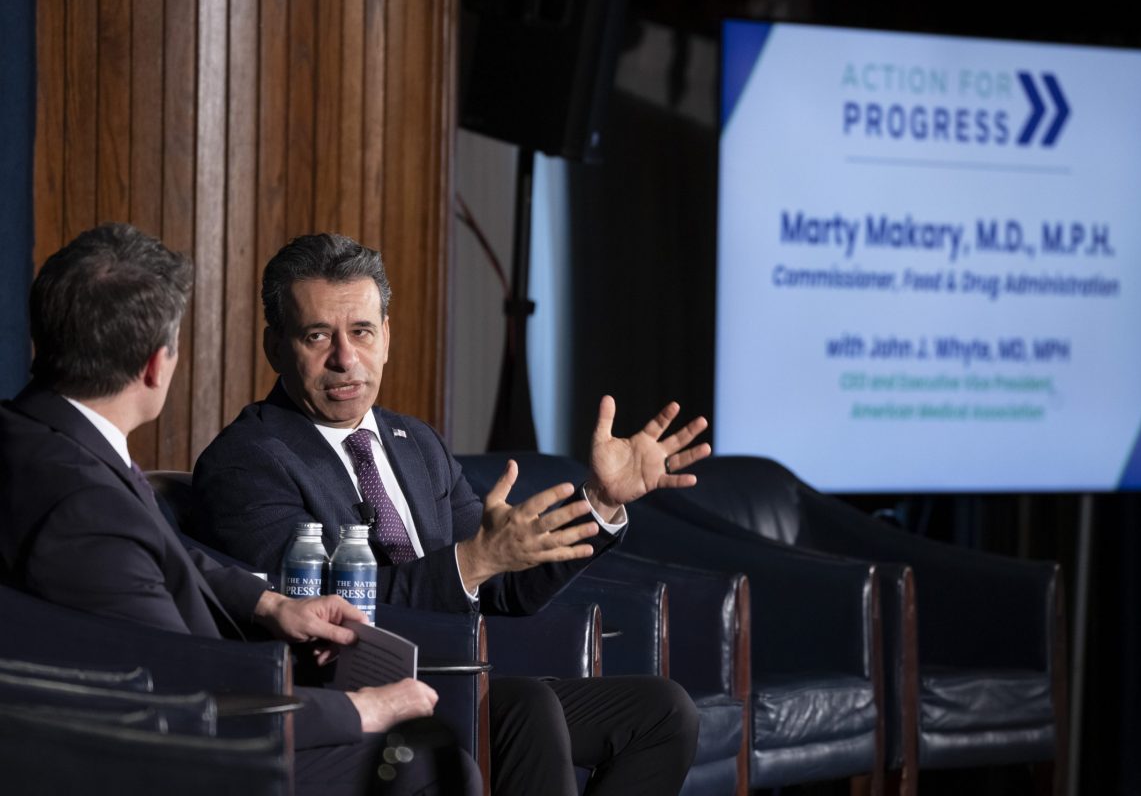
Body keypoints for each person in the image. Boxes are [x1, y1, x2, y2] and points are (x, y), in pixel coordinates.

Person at [194, 232, 708, 795]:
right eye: (317, 335)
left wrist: (601, 499)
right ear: (275, 346)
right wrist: (471, 562)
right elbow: (315, 612)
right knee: (525, 705)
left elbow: (505, 587)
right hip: (357, 695)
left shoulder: (416, 443)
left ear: (386, 338)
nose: (345, 358)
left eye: (361, 332)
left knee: (664, 712)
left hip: (465, 676)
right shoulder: (248, 460)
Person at [0, 223, 480, 796]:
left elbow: (160, 553)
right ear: (157, 365)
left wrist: (267, 602)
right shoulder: (82, 504)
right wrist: (364, 709)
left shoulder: (35, 437)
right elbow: (185, 693)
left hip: (144, 718)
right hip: (160, 757)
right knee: (428, 765)